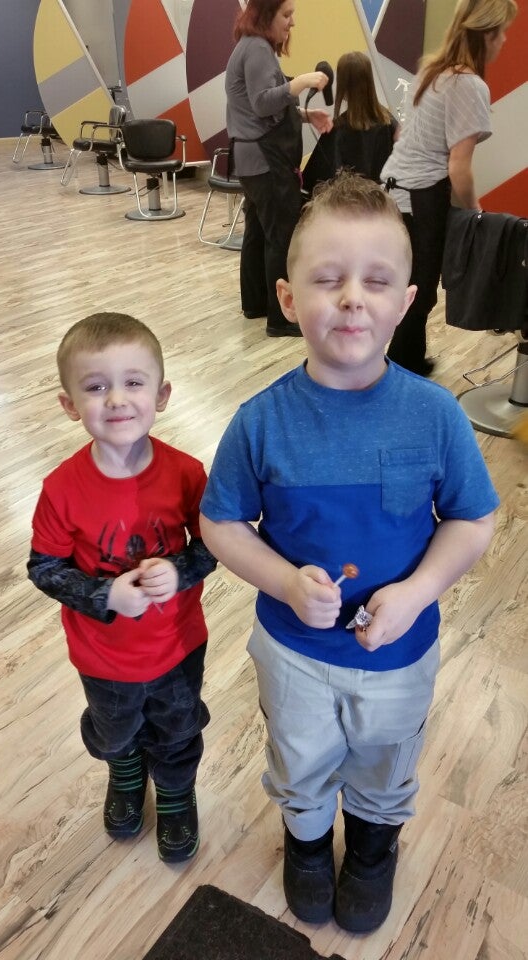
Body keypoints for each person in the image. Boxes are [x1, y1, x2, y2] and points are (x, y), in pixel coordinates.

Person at [199, 172, 498, 933]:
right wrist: (284, 582)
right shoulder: (260, 422)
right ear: (288, 298)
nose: (353, 299)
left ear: (408, 301)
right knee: (298, 757)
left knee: (386, 761)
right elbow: (220, 523)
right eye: (328, 279)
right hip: (292, 651)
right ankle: (306, 846)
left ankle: (370, 849)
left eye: (377, 281)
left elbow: (473, 520)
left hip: (399, 654)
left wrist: (417, 592)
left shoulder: (435, 415)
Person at [28, 312, 217, 863]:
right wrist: (105, 596)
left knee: (178, 728)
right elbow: (44, 567)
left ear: (162, 395)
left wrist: (179, 570)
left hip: (177, 646)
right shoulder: (61, 488)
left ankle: (176, 792)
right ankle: (127, 772)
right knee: (114, 731)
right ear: (69, 405)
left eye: (133, 382)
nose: (116, 400)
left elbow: (217, 544)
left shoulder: (186, 473)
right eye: (95, 387)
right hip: (102, 655)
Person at [380, 0, 517, 377]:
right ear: (486, 34)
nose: (504, 40)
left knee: (411, 283)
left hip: (394, 188)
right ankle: (401, 368)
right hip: (421, 195)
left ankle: (409, 358)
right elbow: (459, 167)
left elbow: (403, 135)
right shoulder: (468, 85)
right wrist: (477, 216)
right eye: (502, 33)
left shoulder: (432, 71)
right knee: (421, 288)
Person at [225, 0, 333, 337]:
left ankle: (256, 303)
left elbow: (262, 106)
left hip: (251, 158)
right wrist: (300, 82)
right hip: (264, 160)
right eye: (286, 15)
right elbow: (262, 103)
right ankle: (281, 318)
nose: (292, 23)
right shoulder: (257, 49)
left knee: (258, 232)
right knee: (281, 236)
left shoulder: (250, 47)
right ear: (266, 15)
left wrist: (306, 115)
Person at [302, 51, 397, 196]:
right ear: (369, 81)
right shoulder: (388, 122)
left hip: (347, 205)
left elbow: (313, 183)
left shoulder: (337, 130)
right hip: (380, 202)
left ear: (343, 85)